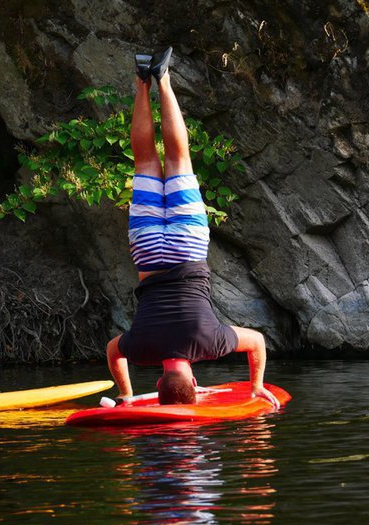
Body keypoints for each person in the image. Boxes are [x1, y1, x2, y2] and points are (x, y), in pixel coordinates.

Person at [105, 48, 280, 408]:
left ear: (194, 380)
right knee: (146, 161)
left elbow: (258, 342)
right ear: (158, 379)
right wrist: (124, 392)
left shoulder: (210, 343)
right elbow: (112, 352)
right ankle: (142, 81)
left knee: (178, 159)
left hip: (187, 247)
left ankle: (164, 79)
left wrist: (256, 386)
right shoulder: (142, 349)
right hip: (149, 252)